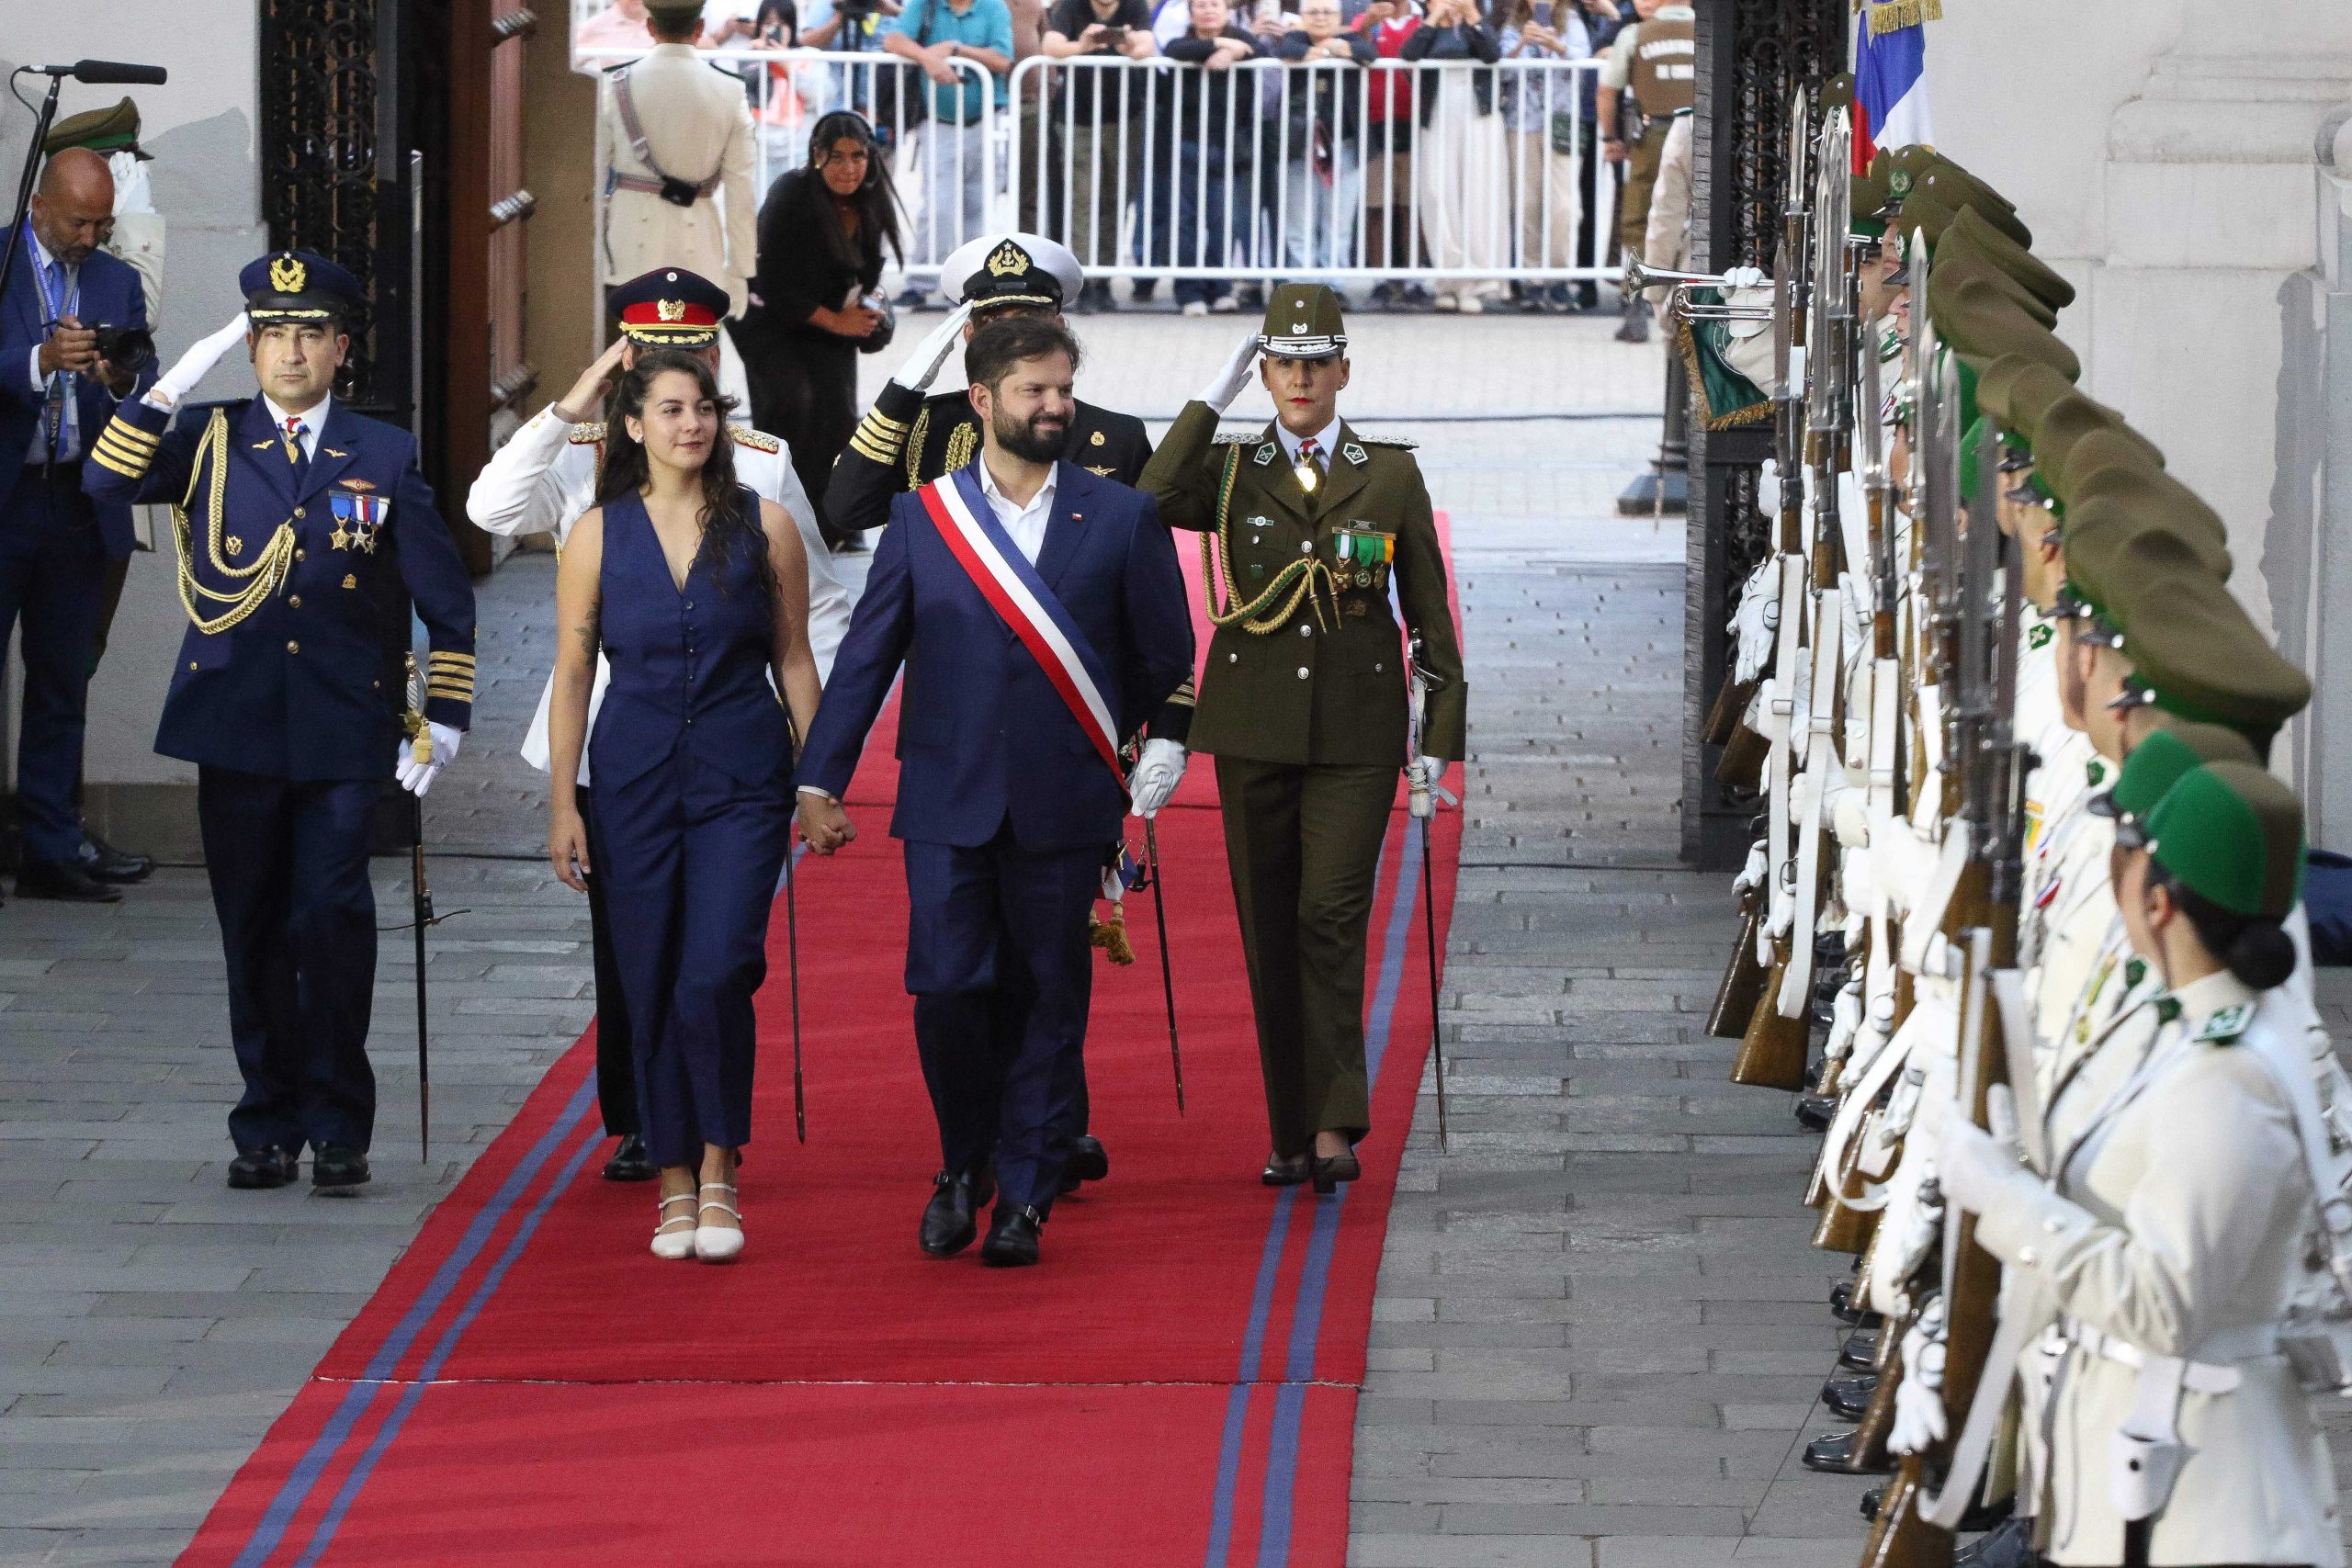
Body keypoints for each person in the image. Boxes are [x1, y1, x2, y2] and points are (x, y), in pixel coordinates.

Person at [795, 316, 1194, 1267]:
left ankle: (1024, 1194)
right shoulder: (924, 519)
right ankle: (961, 1165)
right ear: (982, 402)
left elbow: (1164, 653)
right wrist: (820, 777)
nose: (1055, 407)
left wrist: (1104, 738)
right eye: (1034, 392)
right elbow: (865, 657)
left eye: (1063, 389)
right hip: (947, 798)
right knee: (947, 993)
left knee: (1049, 999)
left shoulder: (1121, 515)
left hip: (1063, 803)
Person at [82, 251, 477, 1192]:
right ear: (251, 348)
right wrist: (168, 384)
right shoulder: (211, 441)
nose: (290, 352)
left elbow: (443, 594)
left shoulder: (382, 453)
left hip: (346, 724)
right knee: (253, 926)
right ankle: (266, 1121)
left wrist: (444, 715)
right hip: (238, 722)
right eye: (270, 335)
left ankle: (339, 1124)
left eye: (309, 334)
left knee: (331, 919)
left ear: (341, 349)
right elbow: (105, 481)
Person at [469, 271, 841, 1185]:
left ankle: (699, 1120)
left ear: (718, 356)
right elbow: (490, 512)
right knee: (631, 942)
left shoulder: (758, 464)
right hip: (609, 733)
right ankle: (643, 1115)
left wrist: (812, 754)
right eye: (647, 355)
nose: (682, 383)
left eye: (697, 355)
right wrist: (574, 403)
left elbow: (815, 611)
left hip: (728, 731)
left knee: (714, 948)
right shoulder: (578, 450)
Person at [1930, 760, 2343, 1568]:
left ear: (2156, 900)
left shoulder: (2229, 1079)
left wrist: (2006, 1199)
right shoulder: (2195, 1035)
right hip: (2138, 1491)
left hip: (2201, 1510)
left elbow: (2164, 1304)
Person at [1137, 285, 1464, 1189]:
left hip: (1356, 736)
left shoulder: (1389, 473)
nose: (1302, 380)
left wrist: (1438, 739)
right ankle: (1287, 1130)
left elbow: (1431, 624)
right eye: (1284, 364)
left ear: (1343, 371)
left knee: (1328, 914)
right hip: (1252, 732)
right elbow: (1149, 496)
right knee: (1267, 930)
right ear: (1266, 372)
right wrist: (1212, 395)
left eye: (1318, 364)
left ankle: (1333, 1126)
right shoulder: (1235, 473)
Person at [548, 351, 821, 1264]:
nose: (690, 425)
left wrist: (816, 782)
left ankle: (719, 1170)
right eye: (669, 409)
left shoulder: (764, 524)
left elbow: (794, 660)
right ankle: (672, 1181)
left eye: (703, 408)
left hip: (743, 776)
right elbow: (574, 673)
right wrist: (561, 804)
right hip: (630, 778)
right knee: (651, 977)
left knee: (716, 968)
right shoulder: (596, 534)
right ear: (633, 426)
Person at [1, 148, 153, 903]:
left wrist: (117, 377)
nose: (91, 236)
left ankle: (51, 849)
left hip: (76, 503)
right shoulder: (0, 261)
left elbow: (146, 381)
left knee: (63, 678)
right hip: (6, 497)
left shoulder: (117, 281)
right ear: (38, 206)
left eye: (102, 223)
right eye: (78, 222)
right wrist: (36, 360)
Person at [829, 233, 1155, 538]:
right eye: (994, 323)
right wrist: (902, 391)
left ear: (1058, 328)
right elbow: (847, 510)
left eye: (1029, 320)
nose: (1011, 338)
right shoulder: (926, 426)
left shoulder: (1117, 438)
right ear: (969, 336)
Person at [735, 111, 904, 552]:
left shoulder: (869, 199)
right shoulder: (789, 194)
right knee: (792, 405)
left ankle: (834, 523)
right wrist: (838, 322)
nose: (849, 168)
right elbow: (773, 285)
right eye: (838, 158)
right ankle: (774, 521)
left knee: (838, 415)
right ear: (816, 157)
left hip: (826, 317)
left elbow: (864, 278)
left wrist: (870, 311)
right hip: (767, 317)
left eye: (858, 156)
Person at [598, 3, 760, 321]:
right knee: (693, 358)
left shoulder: (614, 86)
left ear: (650, 27)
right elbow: (742, 190)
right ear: (699, 29)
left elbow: (592, 174)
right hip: (698, 248)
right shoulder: (730, 90)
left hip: (628, 248)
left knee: (630, 357)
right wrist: (741, 273)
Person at [884, 0, 1015, 303]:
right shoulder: (924, 4)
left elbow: (1002, 59)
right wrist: (927, 58)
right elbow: (893, 39)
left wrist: (956, 50)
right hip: (939, 123)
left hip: (986, 121)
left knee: (978, 206)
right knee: (938, 208)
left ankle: (975, 284)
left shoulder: (993, 7)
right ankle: (920, 283)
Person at [1040, 0, 1157, 303]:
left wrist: (1126, 43)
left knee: (1116, 197)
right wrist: (1083, 44)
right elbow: (1050, 45)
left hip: (1124, 117)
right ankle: (1085, 277)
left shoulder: (1134, 7)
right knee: (1083, 197)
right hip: (1077, 117)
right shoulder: (1070, 7)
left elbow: (1147, 46)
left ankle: (1103, 275)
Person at [1153, 0, 1262, 316]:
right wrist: (1222, 44)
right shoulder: (1183, 41)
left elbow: (1260, 50)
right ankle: (1189, 292)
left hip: (1228, 145)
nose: (1208, 10)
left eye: (1214, 4)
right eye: (1200, 5)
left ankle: (1220, 288)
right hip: (1184, 143)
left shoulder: (1243, 38)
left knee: (1222, 220)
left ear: (1226, 10)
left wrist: (1232, 51)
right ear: (1190, 13)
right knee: (1185, 220)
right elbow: (1175, 50)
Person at [1594, 0, 1690, 342]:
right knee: (1698, 219)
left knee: (1640, 220)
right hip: (1704, 134)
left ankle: (1636, 308)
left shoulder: (1636, 34)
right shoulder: (1708, 33)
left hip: (1653, 135)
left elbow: (1608, 90)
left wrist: (1610, 138)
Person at [1404, 0, 1507, 312]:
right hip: (1437, 114)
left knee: (1477, 193)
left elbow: (1491, 54)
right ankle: (1446, 277)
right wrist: (1434, 19)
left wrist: (1473, 17)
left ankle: (1475, 280)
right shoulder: (1426, 27)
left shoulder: (1482, 23)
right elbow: (1408, 55)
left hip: (1477, 114)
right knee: (1438, 192)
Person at [1274, 0, 1375, 288]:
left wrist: (1327, 50)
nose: (1320, 18)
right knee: (1299, 218)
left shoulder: (1352, 38)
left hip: (1343, 141)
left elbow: (1368, 54)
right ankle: (1301, 282)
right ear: (1302, 17)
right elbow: (1285, 51)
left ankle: (1334, 285)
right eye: (1313, 12)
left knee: (1338, 219)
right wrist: (1327, 52)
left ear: (1339, 17)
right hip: (1300, 142)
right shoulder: (1295, 38)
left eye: (1326, 12)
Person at [1498, 0, 1589, 311]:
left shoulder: (1573, 22)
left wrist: (1557, 46)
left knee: (1564, 204)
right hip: (1523, 121)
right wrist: (1524, 41)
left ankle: (1560, 276)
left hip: (1563, 120)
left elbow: (1584, 60)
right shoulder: (1513, 25)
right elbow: (1502, 71)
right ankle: (1531, 278)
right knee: (1526, 201)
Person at [1356, 0, 1426, 309]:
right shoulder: (1365, 16)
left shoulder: (1425, 17)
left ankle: (1414, 279)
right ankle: (1382, 279)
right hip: (1374, 120)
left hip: (1416, 120)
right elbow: (1349, 43)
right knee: (1377, 204)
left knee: (1412, 204)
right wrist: (1365, 24)